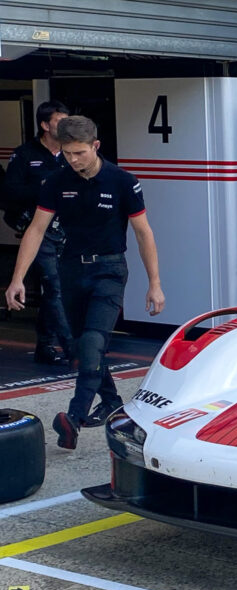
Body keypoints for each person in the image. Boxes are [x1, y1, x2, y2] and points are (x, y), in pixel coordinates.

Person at [3, 116, 165, 450]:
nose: (73, 160)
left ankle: (73, 419)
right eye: (67, 153)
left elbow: (143, 232)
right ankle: (111, 401)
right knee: (81, 345)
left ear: (95, 146)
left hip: (109, 270)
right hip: (70, 270)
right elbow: (36, 230)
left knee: (92, 343)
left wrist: (155, 283)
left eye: (79, 153)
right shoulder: (56, 181)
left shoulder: (122, 181)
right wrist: (17, 278)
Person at [3, 100, 74, 364]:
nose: (66, 125)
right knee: (55, 286)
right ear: (45, 125)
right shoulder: (24, 155)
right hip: (38, 229)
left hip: (69, 230)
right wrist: (46, 189)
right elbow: (9, 193)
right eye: (59, 120)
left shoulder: (73, 152)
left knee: (62, 287)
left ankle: (45, 345)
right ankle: (73, 348)